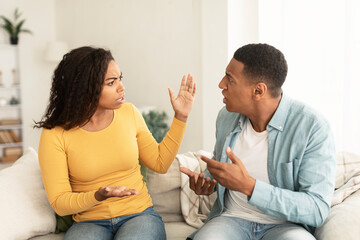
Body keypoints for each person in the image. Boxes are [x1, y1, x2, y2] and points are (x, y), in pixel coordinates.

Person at [35, 46, 196, 240]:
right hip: (89, 222)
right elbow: (59, 202)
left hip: (139, 215)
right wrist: (98, 195)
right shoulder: (56, 133)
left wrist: (181, 117)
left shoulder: (129, 113)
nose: (121, 87)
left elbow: (160, 163)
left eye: (120, 78)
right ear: (85, 88)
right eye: (111, 82)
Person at [181, 43, 336, 240]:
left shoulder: (313, 127)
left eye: (230, 79)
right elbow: (218, 165)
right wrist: (208, 181)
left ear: (258, 91)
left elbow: (316, 208)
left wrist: (250, 187)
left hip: (286, 227)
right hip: (231, 219)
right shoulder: (226, 117)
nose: (221, 84)